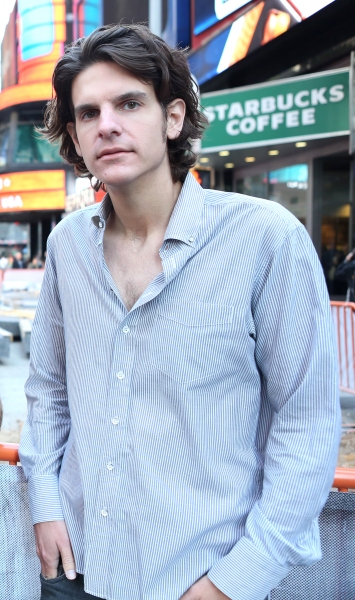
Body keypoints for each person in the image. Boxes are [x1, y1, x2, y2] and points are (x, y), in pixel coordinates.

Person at [19, 23, 340, 600]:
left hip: (203, 580)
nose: (107, 124)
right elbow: (49, 390)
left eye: (129, 103)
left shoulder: (266, 239)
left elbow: (306, 424)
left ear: (172, 118)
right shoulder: (67, 244)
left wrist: (239, 578)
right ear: (74, 134)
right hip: (75, 571)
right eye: (88, 113)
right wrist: (46, 506)